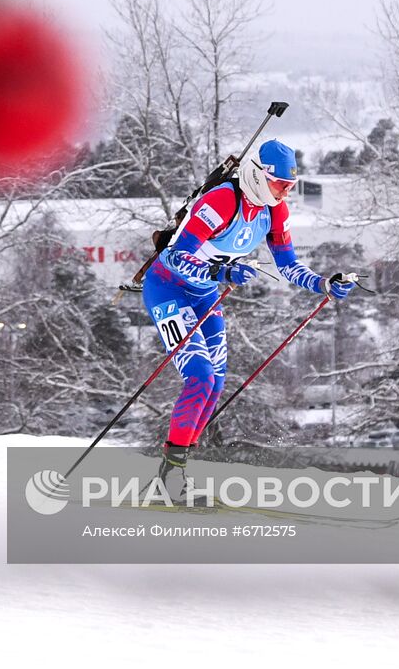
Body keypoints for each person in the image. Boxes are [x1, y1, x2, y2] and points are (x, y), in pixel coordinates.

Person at [143, 139, 354, 497]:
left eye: (290, 187)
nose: (285, 193)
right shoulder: (223, 200)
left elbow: (287, 265)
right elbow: (177, 256)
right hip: (169, 290)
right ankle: (172, 478)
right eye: (280, 185)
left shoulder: (275, 211)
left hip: (204, 296)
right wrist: (221, 271)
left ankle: (173, 474)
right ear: (260, 175)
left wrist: (323, 284)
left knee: (216, 385)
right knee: (199, 376)